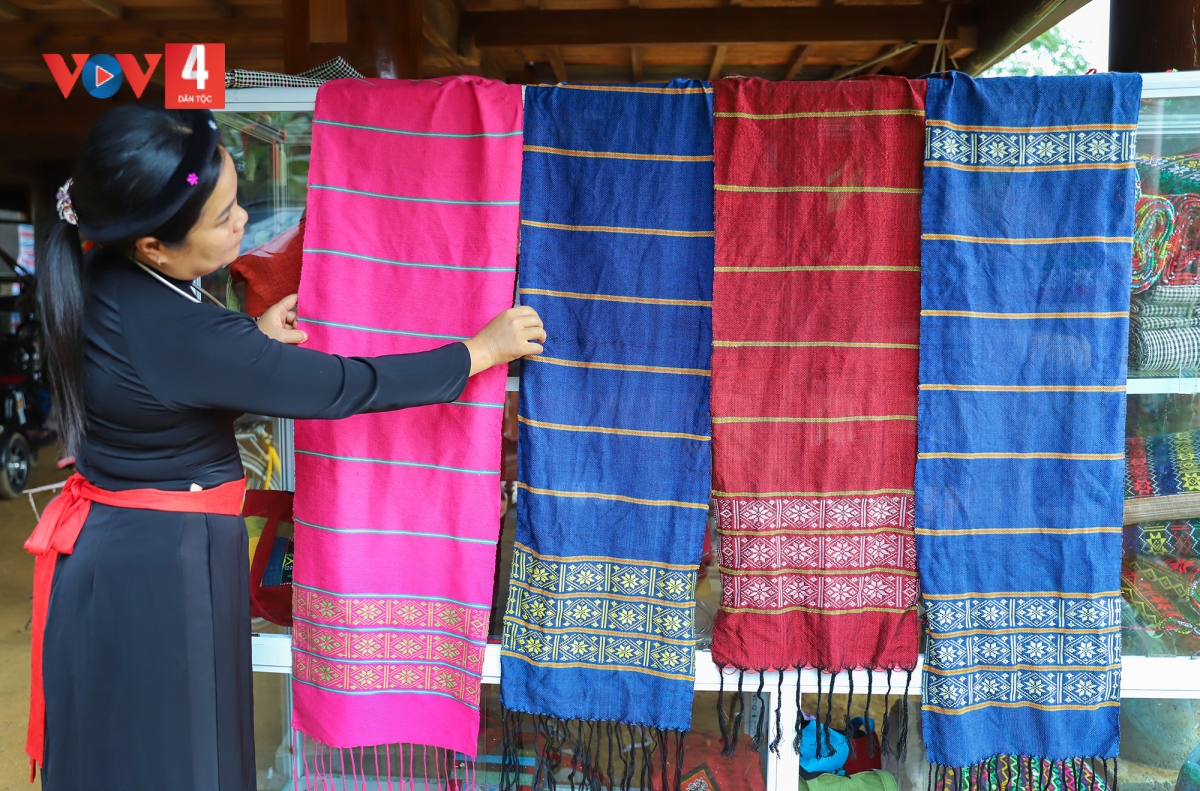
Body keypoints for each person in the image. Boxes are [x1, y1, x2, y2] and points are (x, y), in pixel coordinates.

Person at [29, 105, 545, 790]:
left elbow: (159, 388)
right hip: (160, 573)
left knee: (129, 753)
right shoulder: (190, 332)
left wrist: (252, 346)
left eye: (236, 199)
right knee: (178, 761)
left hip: (116, 550)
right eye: (223, 217)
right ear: (153, 245)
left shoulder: (106, 277)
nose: (243, 220)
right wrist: (476, 352)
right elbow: (344, 386)